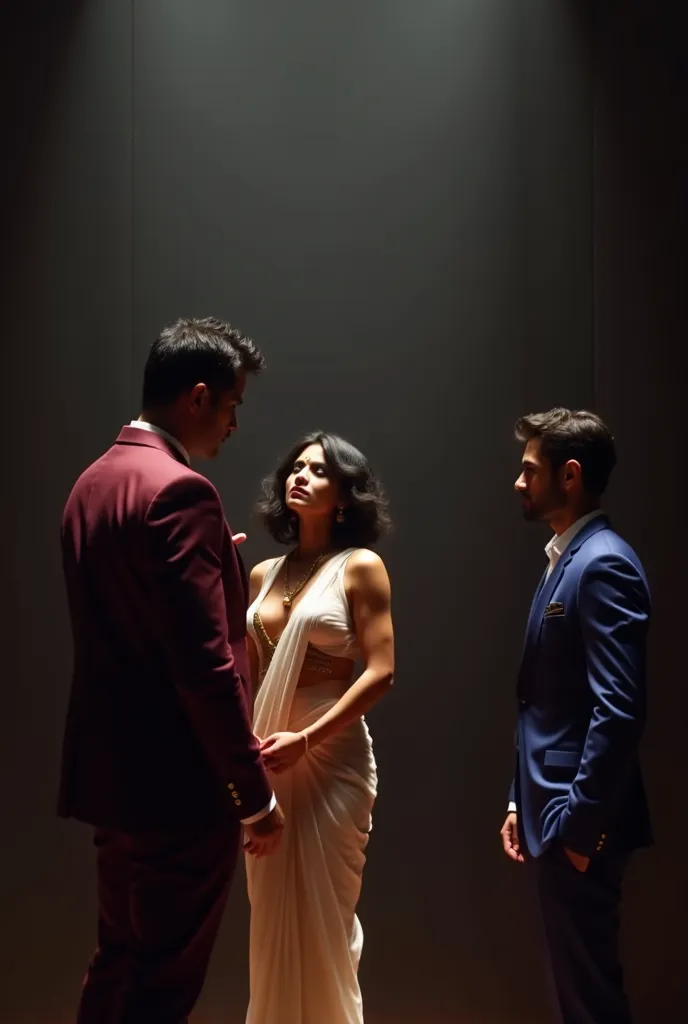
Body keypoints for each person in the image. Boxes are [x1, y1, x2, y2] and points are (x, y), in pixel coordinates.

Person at [58, 316, 284, 1024]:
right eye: (233, 405)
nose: (234, 423)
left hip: (112, 781)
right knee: (161, 989)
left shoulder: (92, 484)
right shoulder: (183, 492)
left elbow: (131, 617)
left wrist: (217, 564)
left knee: (119, 964)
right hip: (178, 792)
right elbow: (204, 667)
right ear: (196, 397)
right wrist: (253, 795)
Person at [500, 408, 653, 1024]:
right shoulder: (567, 556)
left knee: (590, 998)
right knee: (577, 991)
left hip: (578, 822)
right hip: (551, 809)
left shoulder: (604, 562)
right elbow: (546, 702)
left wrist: (579, 828)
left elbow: (618, 708)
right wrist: (519, 799)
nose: (518, 482)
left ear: (569, 475)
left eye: (528, 470)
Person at [243, 431, 394, 1024]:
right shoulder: (261, 574)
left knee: (326, 921)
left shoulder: (360, 567)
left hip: (331, 761)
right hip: (267, 758)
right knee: (270, 916)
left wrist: (307, 738)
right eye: (296, 467)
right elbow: (245, 676)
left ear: (343, 496)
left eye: (318, 471)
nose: (299, 476)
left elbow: (382, 672)